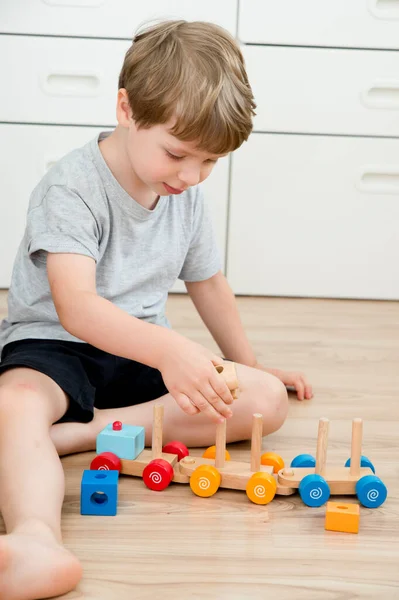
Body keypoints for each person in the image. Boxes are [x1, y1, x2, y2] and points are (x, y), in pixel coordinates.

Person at [0, 20, 313, 599]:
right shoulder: (70, 186)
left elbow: (209, 284)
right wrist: (175, 352)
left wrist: (253, 365)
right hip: (55, 346)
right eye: (177, 154)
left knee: (264, 401)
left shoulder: (183, 195)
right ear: (126, 108)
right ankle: (34, 539)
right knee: (14, 404)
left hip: (141, 352)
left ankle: (85, 433)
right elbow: (76, 308)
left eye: (210, 163)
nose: (191, 176)